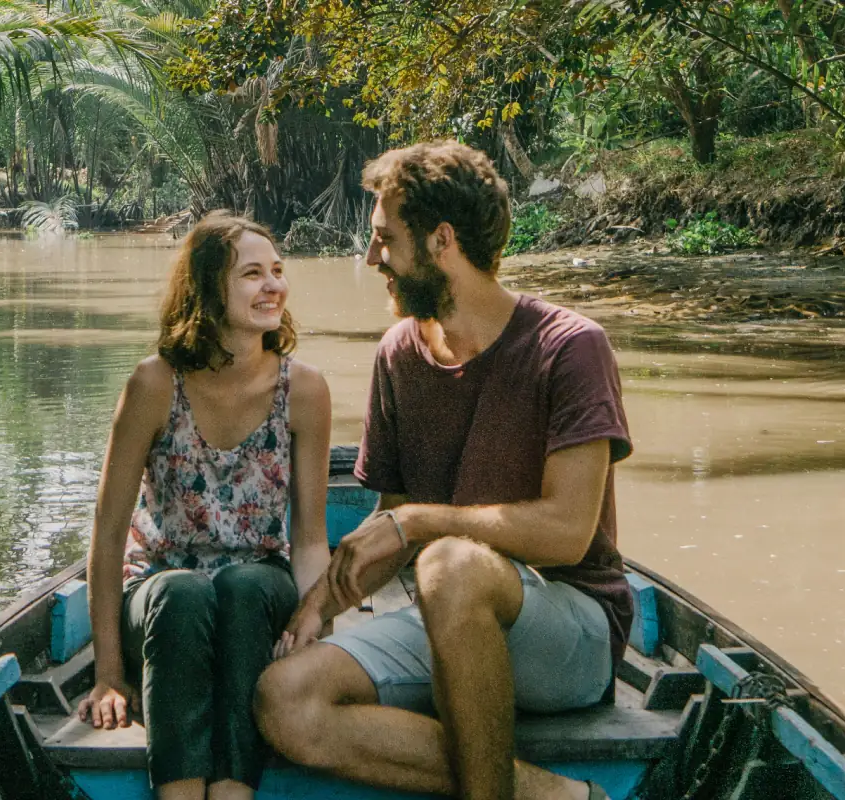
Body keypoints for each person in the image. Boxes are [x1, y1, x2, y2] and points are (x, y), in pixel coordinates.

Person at [258, 142, 633, 800]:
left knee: (448, 564)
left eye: (384, 240)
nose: (372, 259)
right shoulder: (399, 353)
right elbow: (393, 519)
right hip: (450, 615)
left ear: (442, 241)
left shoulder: (570, 348)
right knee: (285, 699)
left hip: (571, 631)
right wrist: (317, 607)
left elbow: (569, 532)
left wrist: (420, 523)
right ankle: (556, 796)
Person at [75, 214, 334, 800]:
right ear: (207, 289)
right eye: (252, 274)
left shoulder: (305, 390)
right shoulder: (153, 385)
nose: (273, 286)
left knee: (242, 587)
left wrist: (316, 635)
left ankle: (234, 793)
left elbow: (312, 538)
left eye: (277, 272)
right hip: (162, 589)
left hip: (258, 583)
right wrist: (108, 675)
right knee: (184, 592)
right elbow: (109, 531)